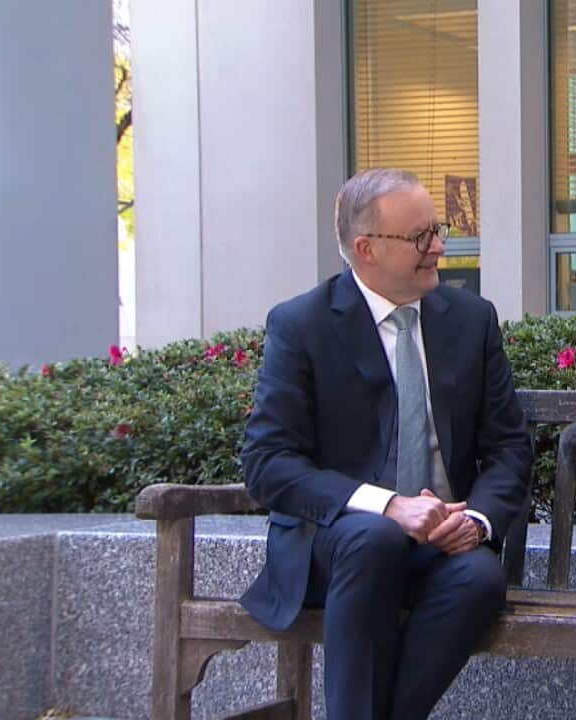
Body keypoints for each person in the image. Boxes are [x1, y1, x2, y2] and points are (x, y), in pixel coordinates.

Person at [239, 168, 533, 720]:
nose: (438, 247)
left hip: (444, 540)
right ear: (366, 249)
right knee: (374, 540)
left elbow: (509, 447)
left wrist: (477, 522)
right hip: (337, 540)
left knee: (480, 578)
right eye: (420, 237)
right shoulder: (303, 325)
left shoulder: (471, 320)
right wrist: (390, 506)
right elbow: (268, 464)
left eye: (437, 230)